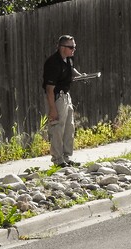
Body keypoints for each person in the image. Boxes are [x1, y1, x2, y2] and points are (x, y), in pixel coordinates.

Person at [42, 35, 83, 169]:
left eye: (74, 47)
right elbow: (49, 89)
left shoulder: (68, 59)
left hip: (66, 95)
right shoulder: (53, 63)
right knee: (57, 128)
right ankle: (58, 160)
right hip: (56, 97)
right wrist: (52, 108)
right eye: (71, 47)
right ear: (62, 47)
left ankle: (66, 157)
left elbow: (71, 69)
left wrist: (80, 75)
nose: (74, 49)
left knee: (69, 127)